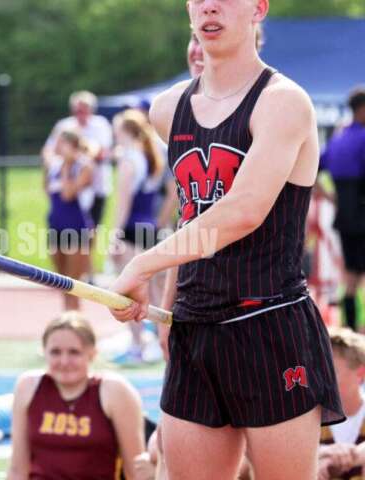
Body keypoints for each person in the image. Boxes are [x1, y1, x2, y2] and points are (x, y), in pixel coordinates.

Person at [109, 1, 344, 479]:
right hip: (195, 329)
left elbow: (243, 210)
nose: (209, 6)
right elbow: (190, 217)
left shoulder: (284, 101)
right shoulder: (167, 109)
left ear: (259, 8)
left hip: (269, 325)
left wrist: (141, 266)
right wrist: (168, 309)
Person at [7, 311, 145, 479]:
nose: (64, 362)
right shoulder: (28, 386)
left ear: (92, 353)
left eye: (74, 352)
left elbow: (136, 470)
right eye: (55, 352)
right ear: (44, 352)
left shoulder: (114, 391)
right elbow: (17, 469)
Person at [109, 109, 167, 364]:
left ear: (125, 132)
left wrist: (115, 235)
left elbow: (123, 203)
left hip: (132, 229)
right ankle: (154, 342)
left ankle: (136, 345)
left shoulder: (129, 159)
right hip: (149, 227)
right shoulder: (151, 154)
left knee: (128, 292)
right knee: (151, 291)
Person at [319, 86, 365, 331]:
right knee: (357, 275)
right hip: (361, 213)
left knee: (350, 274)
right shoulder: (362, 138)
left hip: (345, 218)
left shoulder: (337, 138)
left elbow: (312, 172)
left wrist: (331, 198)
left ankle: (349, 327)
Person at [43, 130, 95, 310]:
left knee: (73, 283)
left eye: (61, 143)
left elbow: (67, 194)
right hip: (56, 224)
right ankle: (68, 316)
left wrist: (66, 166)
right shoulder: (54, 165)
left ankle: (75, 318)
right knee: (61, 282)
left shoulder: (83, 166)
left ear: (72, 146)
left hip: (76, 227)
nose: (57, 147)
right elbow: (47, 190)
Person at [317, 327, 365, 479]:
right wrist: (321, 455)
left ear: (360, 372)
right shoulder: (311, 419)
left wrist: (353, 456)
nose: (322, 380)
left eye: (332, 372)